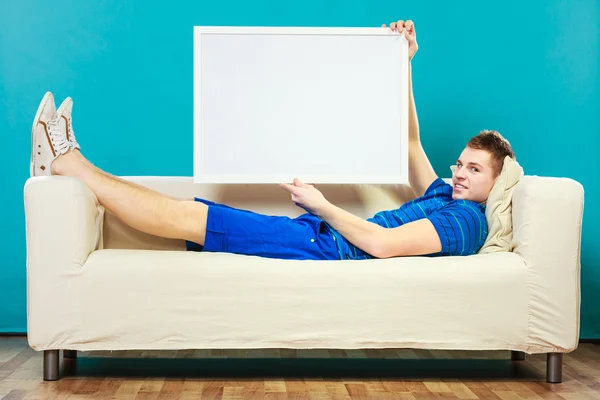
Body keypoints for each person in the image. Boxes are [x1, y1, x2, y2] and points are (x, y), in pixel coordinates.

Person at [30, 19, 515, 261]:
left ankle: (67, 162)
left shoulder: (465, 223)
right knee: (186, 213)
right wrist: (401, 62)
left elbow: (384, 245)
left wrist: (321, 205)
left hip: (323, 248)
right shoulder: (444, 197)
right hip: (316, 236)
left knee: (187, 214)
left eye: (473, 169)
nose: (457, 172)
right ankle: (69, 163)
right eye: (459, 163)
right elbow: (409, 143)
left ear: (497, 183)